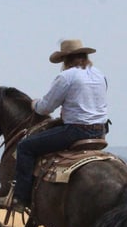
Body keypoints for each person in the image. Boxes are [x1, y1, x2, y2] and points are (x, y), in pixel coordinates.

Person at [10, 39, 109, 213]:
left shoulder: (66, 77)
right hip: (100, 131)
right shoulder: (100, 75)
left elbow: (45, 108)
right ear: (85, 56)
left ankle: (20, 198)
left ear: (66, 59)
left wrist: (33, 104)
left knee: (25, 147)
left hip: (76, 131)